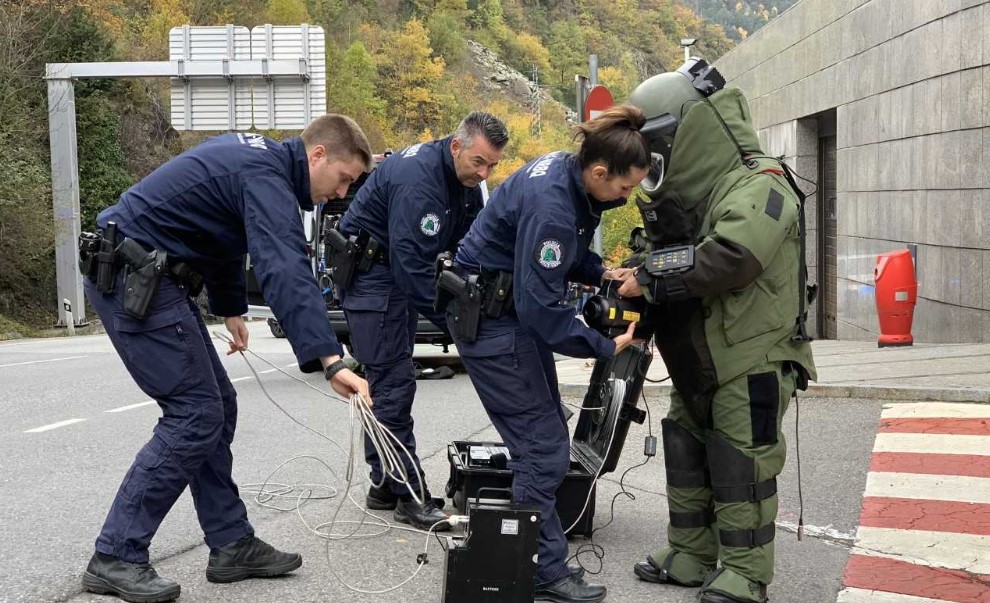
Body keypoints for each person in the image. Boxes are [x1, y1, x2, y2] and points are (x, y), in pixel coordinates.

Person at [79, 114, 374, 603]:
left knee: (218, 405)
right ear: (317, 155)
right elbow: (283, 263)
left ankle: (231, 543)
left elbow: (216, 234)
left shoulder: (258, 162)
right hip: (133, 278)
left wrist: (231, 306)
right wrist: (330, 359)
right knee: (195, 413)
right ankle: (115, 555)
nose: (341, 194)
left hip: (153, 276)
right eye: (343, 179)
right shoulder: (266, 175)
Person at [617, 59, 817, 603]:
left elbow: (733, 256)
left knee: (741, 463)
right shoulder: (691, 201)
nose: (651, 165)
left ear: (691, 133)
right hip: (698, 357)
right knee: (685, 450)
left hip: (749, 354)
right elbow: (672, 260)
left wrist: (650, 276)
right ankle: (690, 555)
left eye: (657, 148)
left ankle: (746, 574)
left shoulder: (760, 183)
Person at [443, 105, 648, 603]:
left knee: (546, 437)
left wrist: (601, 272)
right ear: (599, 172)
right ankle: (538, 571)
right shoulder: (554, 206)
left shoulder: (564, 168)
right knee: (544, 450)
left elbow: (563, 255)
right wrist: (603, 345)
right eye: (624, 188)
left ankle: (538, 559)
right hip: (495, 322)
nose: (627, 197)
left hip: (499, 312)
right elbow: (541, 309)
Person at [334, 112, 508, 529]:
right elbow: (412, 269)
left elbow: (471, 243)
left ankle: (383, 481)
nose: (483, 172)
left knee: (383, 380)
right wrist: (456, 323)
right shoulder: (419, 181)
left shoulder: (464, 182)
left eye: (492, 166)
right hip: (373, 277)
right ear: (456, 147)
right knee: (394, 383)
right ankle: (409, 496)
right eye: (478, 162)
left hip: (391, 275)